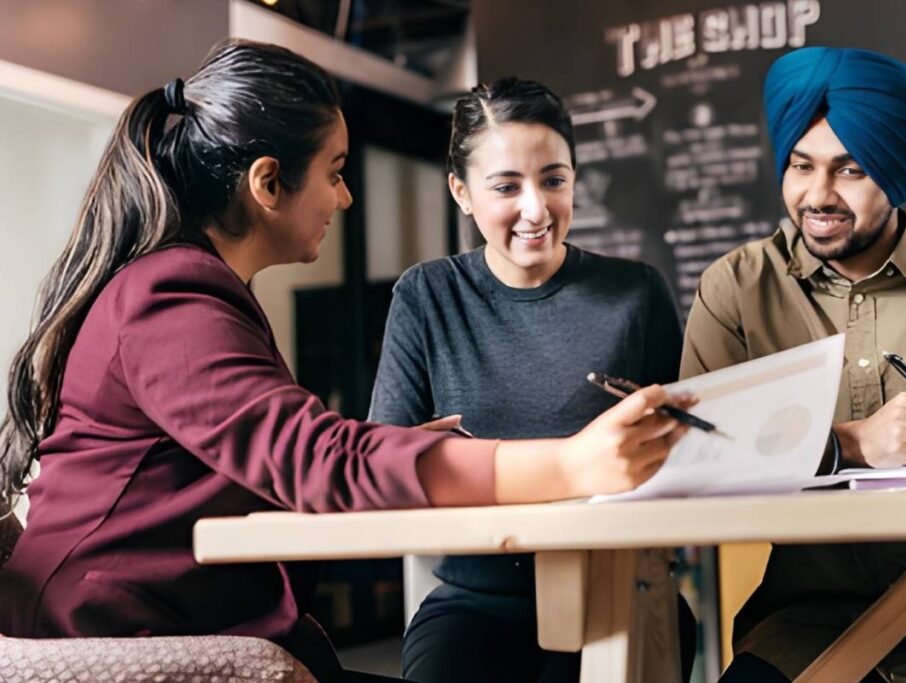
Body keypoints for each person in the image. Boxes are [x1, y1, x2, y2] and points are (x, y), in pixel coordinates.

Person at [0, 41, 691, 683]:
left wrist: (393, 452)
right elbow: (318, 458)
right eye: (333, 172)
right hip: (116, 638)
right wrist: (571, 463)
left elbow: (289, 457)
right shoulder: (171, 294)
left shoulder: (189, 287)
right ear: (268, 184)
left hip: (165, 622)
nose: (345, 196)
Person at [681, 46, 906, 682]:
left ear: (896, 172)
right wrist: (847, 443)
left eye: (851, 170)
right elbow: (695, 462)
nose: (817, 195)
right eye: (799, 166)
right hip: (802, 635)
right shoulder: (735, 289)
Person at [368, 77, 696, 683]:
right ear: (461, 193)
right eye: (506, 187)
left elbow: (686, 456)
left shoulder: (637, 293)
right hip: (474, 603)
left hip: (620, 588)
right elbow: (384, 466)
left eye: (554, 179)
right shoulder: (426, 296)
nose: (537, 209)